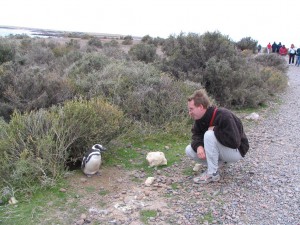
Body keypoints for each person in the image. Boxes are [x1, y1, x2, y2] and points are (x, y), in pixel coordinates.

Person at [185, 89, 249, 184]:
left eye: (191, 109)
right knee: (189, 150)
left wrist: (215, 130)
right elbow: (196, 135)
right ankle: (218, 164)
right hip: (224, 151)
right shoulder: (199, 119)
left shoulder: (223, 115)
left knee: (209, 135)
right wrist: (199, 146)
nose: (189, 112)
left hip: (237, 151)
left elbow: (234, 142)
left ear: (201, 107)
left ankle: (212, 174)